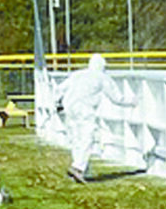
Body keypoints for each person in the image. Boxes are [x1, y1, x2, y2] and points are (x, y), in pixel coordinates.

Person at [54, 53, 135, 183]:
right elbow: (116, 98)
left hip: (69, 108)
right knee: (87, 138)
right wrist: (133, 101)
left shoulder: (78, 74)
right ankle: (78, 168)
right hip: (85, 109)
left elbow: (60, 88)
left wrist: (57, 103)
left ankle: (78, 167)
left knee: (76, 139)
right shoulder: (102, 77)